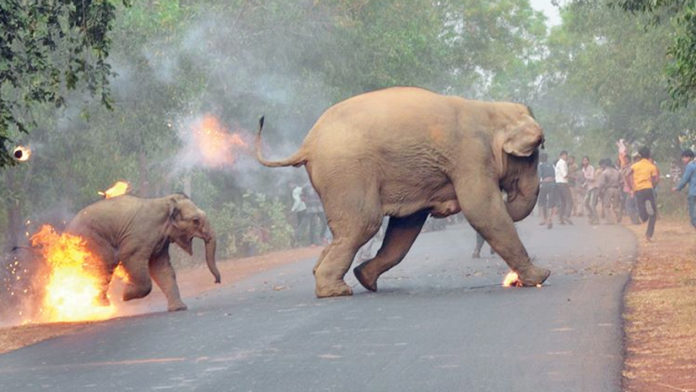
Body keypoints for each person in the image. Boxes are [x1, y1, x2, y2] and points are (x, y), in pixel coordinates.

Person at [628, 147, 659, 240]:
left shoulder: (635, 166)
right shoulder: (652, 166)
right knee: (654, 214)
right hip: (648, 189)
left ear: (640, 155)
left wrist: (631, 186)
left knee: (642, 210)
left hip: (638, 190)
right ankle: (648, 235)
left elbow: (626, 174)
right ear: (649, 155)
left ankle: (643, 217)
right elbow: (655, 179)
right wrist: (652, 185)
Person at [672, 149, 696, 229]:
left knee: (693, 214)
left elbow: (685, 179)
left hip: (693, 192)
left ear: (688, 157)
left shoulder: (690, 166)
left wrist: (677, 188)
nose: (683, 159)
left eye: (683, 157)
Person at [597, 158, 622, 224]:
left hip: (608, 190)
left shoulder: (605, 172)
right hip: (616, 189)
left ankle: (610, 221)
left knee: (606, 206)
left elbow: (601, 184)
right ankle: (619, 216)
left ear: (605, 164)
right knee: (616, 206)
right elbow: (621, 181)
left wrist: (599, 191)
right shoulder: (617, 171)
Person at [537, 152, 557, 229]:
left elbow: (539, 176)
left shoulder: (540, 166)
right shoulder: (552, 165)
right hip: (552, 184)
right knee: (551, 202)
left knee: (542, 202)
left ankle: (543, 219)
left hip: (544, 185)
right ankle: (550, 219)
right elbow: (555, 175)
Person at [554, 150, 573, 224]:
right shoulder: (562, 163)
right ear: (561, 155)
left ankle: (560, 219)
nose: (566, 156)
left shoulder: (559, 163)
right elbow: (564, 174)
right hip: (563, 183)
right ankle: (566, 215)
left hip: (558, 183)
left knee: (563, 202)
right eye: (565, 155)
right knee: (569, 201)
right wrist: (573, 176)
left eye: (566, 155)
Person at [581, 156, 599, 225]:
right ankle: (591, 216)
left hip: (593, 187)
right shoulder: (583, 169)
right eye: (584, 160)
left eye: (586, 160)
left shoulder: (591, 168)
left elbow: (592, 178)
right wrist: (583, 185)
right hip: (588, 188)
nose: (585, 162)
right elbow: (586, 180)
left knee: (592, 204)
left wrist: (586, 177)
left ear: (588, 161)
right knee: (585, 203)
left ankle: (596, 219)